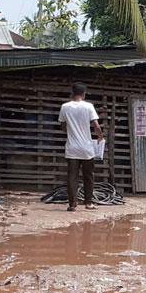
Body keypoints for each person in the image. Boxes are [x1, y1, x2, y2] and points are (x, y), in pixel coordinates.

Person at [58, 83, 102, 211]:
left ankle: (72, 204)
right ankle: (88, 203)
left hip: (72, 148)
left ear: (72, 93)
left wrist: (71, 131)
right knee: (88, 175)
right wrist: (100, 137)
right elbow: (96, 126)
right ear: (84, 94)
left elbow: (62, 126)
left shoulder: (65, 107)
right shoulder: (89, 106)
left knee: (72, 176)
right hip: (87, 149)